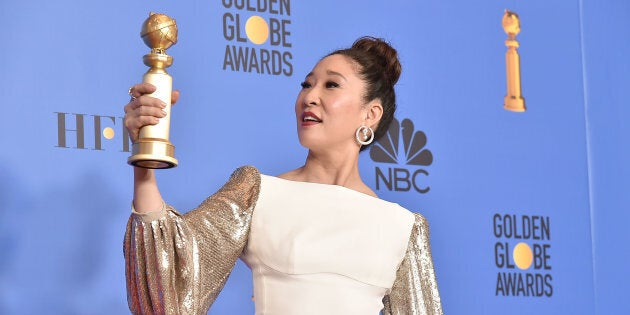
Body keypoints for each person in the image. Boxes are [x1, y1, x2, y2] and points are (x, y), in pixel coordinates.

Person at [123, 36, 443, 315]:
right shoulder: (257, 193)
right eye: (306, 84)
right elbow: (171, 285)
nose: (309, 97)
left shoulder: (403, 227)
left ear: (370, 114)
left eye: (331, 85)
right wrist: (146, 162)